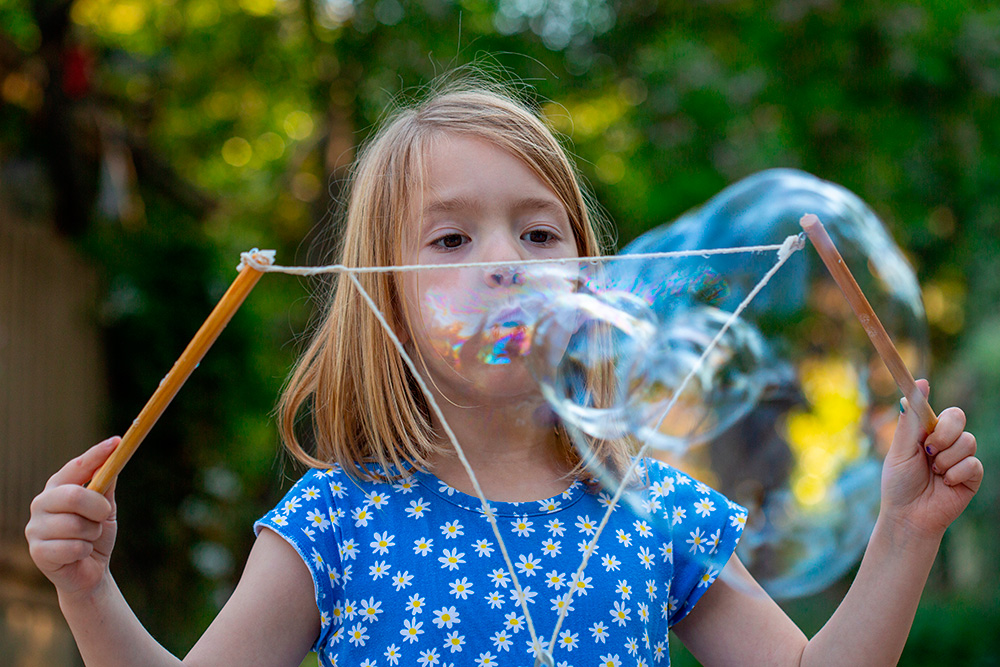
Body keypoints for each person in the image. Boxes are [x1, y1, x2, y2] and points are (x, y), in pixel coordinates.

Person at [26, 80, 983, 667]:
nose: (505, 259)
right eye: (451, 236)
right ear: (384, 294)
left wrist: (903, 531)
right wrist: (88, 588)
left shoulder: (649, 507)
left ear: (591, 277)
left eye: (537, 230)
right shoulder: (337, 520)